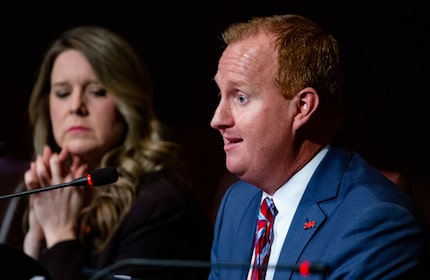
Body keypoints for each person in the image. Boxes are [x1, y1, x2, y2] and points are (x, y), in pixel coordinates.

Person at [208, 14, 428, 279]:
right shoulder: (237, 203)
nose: (217, 119)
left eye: (241, 97)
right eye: (221, 95)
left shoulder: (377, 222)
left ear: (302, 107)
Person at [16, 25, 213, 280]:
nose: (76, 106)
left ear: (127, 103)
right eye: (63, 93)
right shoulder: (49, 197)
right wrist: (33, 246)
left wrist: (61, 236)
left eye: (96, 91)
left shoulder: (162, 205)